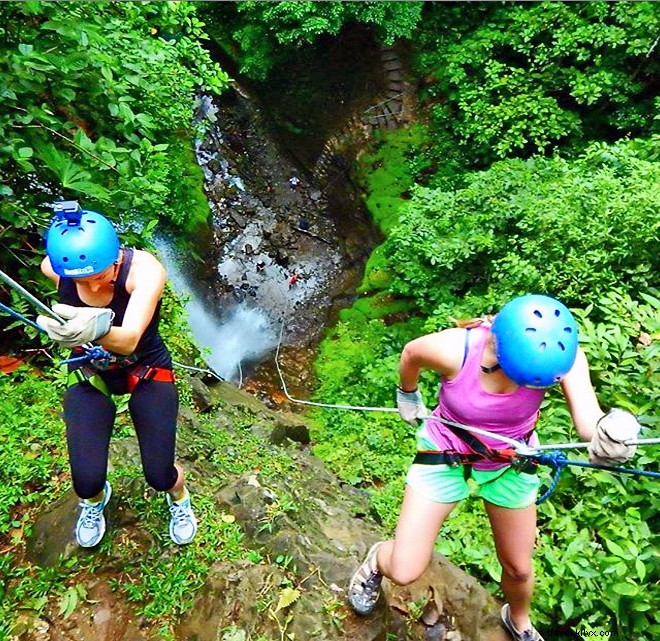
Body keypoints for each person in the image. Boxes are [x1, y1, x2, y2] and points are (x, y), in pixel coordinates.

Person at [347, 294, 640, 641]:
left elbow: (588, 421)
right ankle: (378, 559)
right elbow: (411, 353)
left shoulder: (560, 354)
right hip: (447, 451)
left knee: (518, 568)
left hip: (510, 460)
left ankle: (519, 620)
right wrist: (407, 394)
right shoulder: (455, 350)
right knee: (405, 568)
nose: (525, 389)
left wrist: (608, 433)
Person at [37, 200, 197, 548]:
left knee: (159, 474)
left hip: (145, 366)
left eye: (98, 277)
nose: (92, 289)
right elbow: (53, 267)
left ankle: (179, 495)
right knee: (86, 480)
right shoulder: (56, 267)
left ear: (114, 257)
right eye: (81, 281)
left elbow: (128, 340)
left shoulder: (145, 271)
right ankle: (94, 501)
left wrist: (89, 330)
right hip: (89, 370)